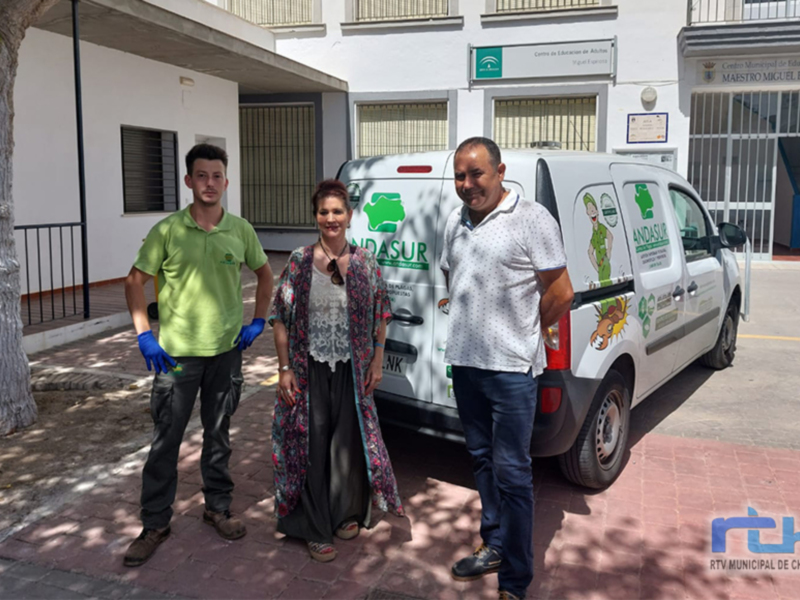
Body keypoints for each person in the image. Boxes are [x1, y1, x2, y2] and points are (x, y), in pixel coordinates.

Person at [122, 143, 274, 567]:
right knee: (165, 441)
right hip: (175, 358)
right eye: (202, 175)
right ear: (189, 180)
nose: (210, 183)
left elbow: (265, 275)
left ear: (226, 181)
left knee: (218, 434)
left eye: (217, 176)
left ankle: (218, 508)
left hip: (226, 353)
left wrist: (258, 321)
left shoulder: (240, 230)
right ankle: (155, 523)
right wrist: (145, 336)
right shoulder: (168, 231)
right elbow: (134, 282)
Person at [441, 138, 574, 600]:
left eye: (476, 174)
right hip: (465, 364)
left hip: (512, 371)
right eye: (460, 176)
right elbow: (452, 276)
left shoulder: (532, 218)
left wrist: (525, 330)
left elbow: (561, 291)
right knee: (481, 460)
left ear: (499, 172)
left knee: (513, 472)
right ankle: (494, 545)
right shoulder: (455, 221)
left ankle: (515, 580)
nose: (467, 184)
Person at [269, 179, 403, 563]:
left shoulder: (364, 262)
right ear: (315, 216)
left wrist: (377, 360)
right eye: (324, 212)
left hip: (351, 369)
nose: (331, 219)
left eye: (338, 211)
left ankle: (345, 513)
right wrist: (284, 367)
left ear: (349, 215)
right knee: (309, 446)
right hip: (307, 368)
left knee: (346, 445)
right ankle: (314, 528)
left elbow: (381, 312)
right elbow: (280, 316)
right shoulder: (299, 261)